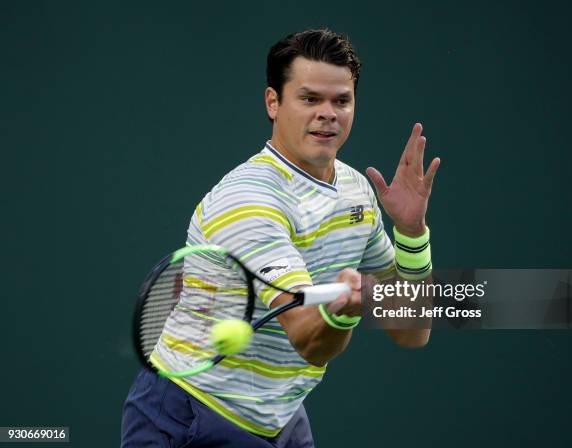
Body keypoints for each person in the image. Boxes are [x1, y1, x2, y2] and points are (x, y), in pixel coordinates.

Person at [121, 28, 440, 447]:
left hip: (281, 417)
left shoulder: (356, 191)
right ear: (274, 102)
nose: (328, 113)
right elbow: (310, 340)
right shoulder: (248, 200)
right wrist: (346, 308)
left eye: (341, 100)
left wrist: (412, 234)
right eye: (310, 99)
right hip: (192, 416)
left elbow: (411, 330)